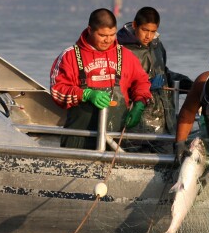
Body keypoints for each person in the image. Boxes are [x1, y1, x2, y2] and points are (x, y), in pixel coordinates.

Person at [50, 8, 152, 149]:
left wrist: (140, 103)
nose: (108, 40)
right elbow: (57, 91)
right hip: (78, 140)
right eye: (102, 35)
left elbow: (142, 82)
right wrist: (85, 94)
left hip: (114, 139)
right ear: (90, 30)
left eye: (112, 35)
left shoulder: (126, 56)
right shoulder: (70, 56)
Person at [116, 6, 193, 141]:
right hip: (135, 119)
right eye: (145, 30)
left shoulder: (157, 46)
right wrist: (145, 86)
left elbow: (163, 71)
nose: (148, 36)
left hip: (164, 120)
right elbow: (116, 84)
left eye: (153, 31)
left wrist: (187, 84)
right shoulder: (121, 49)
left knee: (167, 152)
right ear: (135, 25)